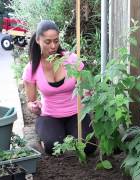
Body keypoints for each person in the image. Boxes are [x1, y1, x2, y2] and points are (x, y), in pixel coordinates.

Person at [22, 20, 96, 155]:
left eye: (56, 41)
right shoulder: (31, 69)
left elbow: (86, 86)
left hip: (76, 113)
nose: (53, 46)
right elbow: (30, 102)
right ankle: (46, 135)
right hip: (50, 115)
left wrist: (88, 92)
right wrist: (33, 106)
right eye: (48, 42)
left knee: (89, 146)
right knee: (53, 147)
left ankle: (69, 132)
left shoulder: (72, 60)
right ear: (38, 40)